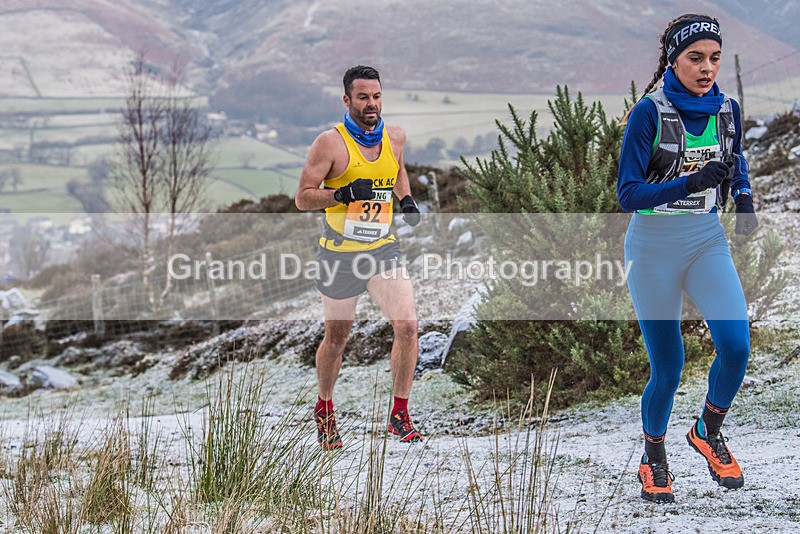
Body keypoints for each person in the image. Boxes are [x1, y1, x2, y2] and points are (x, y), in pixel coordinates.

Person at [618, 14, 758, 503]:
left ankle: (707, 430)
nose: (707, 68)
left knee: (736, 345)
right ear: (673, 60)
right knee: (669, 367)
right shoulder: (648, 114)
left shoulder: (728, 109)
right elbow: (628, 194)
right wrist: (691, 183)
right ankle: (653, 456)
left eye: (715, 58)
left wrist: (742, 195)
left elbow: (734, 158)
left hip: (705, 241)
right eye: (695, 58)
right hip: (652, 249)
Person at [295, 65, 423, 449]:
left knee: (408, 326)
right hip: (339, 254)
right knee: (337, 339)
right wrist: (343, 194)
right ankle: (325, 408)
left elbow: (396, 169)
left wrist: (407, 200)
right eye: (363, 97)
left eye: (377, 96)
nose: (372, 104)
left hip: (382, 248)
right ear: (347, 100)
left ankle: (399, 414)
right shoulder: (328, 144)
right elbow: (303, 197)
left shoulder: (395, 136)